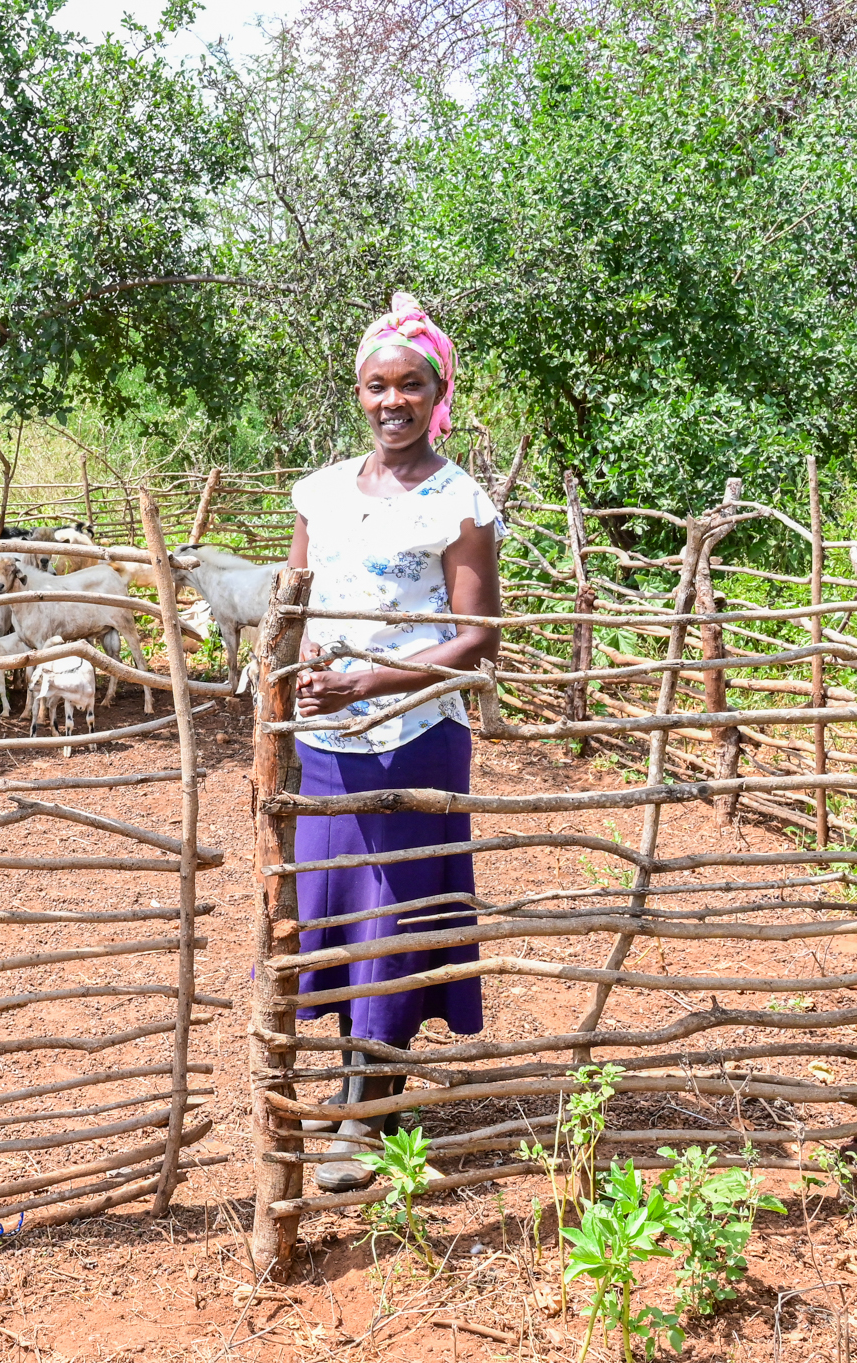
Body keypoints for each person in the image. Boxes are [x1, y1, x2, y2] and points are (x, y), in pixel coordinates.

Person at [284, 292, 503, 1192]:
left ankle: (367, 1116)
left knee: (392, 920)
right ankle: (360, 1088)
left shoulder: (460, 502)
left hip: (413, 734)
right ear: (360, 394)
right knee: (335, 913)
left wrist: (372, 680)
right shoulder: (322, 492)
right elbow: (292, 600)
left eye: (411, 385)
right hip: (325, 738)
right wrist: (298, 667)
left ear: (438, 391)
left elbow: (478, 634)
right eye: (378, 386)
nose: (393, 403)